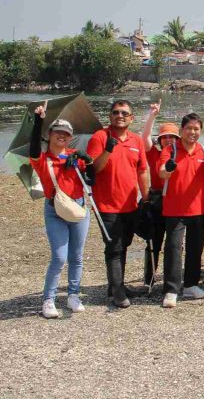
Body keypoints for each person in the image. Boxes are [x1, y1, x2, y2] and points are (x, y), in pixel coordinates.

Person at [29, 104, 94, 319]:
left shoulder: (75, 156)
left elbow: (91, 179)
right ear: (49, 135)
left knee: (76, 256)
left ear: (70, 138)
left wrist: (87, 161)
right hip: (54, 210)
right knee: (59, 257)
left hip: (78, 208)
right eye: (58, 132)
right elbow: (33, 150)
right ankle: (49, 299)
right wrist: (39, 121)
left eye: (66, 134)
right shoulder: (42, 159)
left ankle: (73, 295)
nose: (62, 136)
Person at [87, 100, 150, 308]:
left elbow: (142, 170)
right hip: (106, 205)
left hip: (129, 204)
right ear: (110, 116)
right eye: (116, 112)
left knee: (125, 244)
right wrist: (107, 150)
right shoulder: (100, 137)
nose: (120, 116)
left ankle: (117, 285)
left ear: (131, 118)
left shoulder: (136, 140)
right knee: (114, 247)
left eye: (124, 113)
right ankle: (117, 292)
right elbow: (93, 169)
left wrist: (146, 197)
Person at [157, 114, 204, 307]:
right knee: (173, 248)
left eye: (196, 129)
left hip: (198, 207)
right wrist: (168, 168)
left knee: (195, 248)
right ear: (181, 130)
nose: (192, 132)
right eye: (189, 128)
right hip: (175, 208)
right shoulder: (170, 149)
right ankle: (171, 289)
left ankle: (190, 285)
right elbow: (162, 172)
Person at [140, 103, 165, 289]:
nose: (169, 140)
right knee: (154, 241)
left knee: (174, 243)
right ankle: (149, 278)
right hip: (157, 200)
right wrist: (152, 116)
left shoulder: (181, 153)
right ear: (160, 140)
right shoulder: (155, 153)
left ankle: (171, 277)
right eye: (165, 137)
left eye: (173, 137)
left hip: (176, 201)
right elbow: (145, 139)